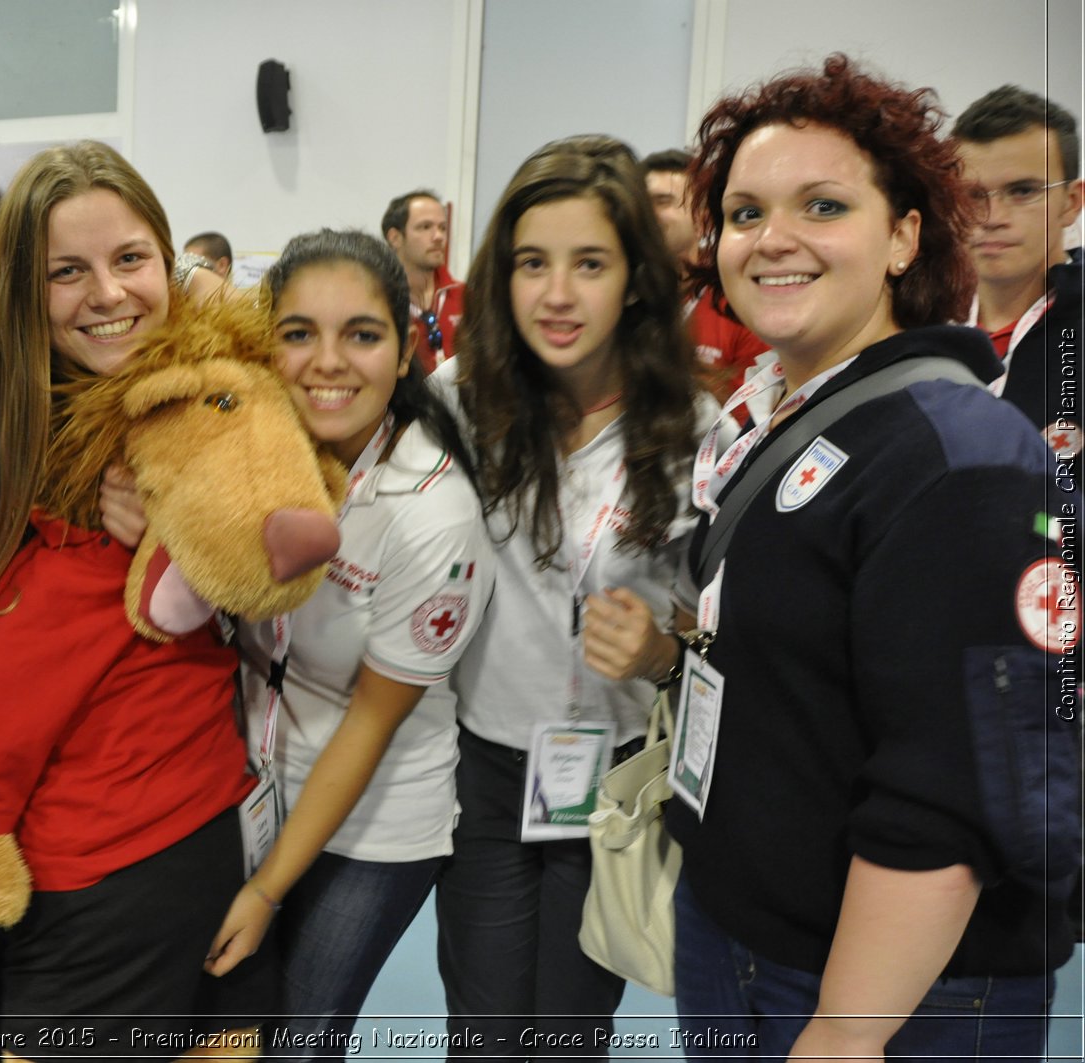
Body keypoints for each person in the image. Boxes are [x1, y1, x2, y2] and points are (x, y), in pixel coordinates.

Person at [667, 55, 1079, 1060]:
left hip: (886, 992)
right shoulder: (794, 416)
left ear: (902, 235)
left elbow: (954, 788)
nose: (773, 240)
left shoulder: (955, 455)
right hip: (749, 934)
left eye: (821, 204)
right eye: (744, 211)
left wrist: (844, 1035)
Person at [0, 140, 276, 1062]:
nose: (106, 293)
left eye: (130, 259)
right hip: (2, 809)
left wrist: (195, 527)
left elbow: (284, 546)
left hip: (133, 835)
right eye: (68, 271)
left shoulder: (218, 405)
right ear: (27, 290)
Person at [430, 135, 715, 1058]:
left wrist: (663, 654)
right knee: (481, 1026)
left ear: (635, 276)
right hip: (485, 767)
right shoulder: (459, 404)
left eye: (588, 263)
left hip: (614, 772)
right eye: (531, 264)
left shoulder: (695, 428)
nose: (557, 294)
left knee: (569, 1031)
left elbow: (725, 631)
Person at [195, 230, 492, 1058]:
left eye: (362, 334)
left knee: (298, 1036)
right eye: (298, 334)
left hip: (372, 823)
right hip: (256, 781)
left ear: (403, 352)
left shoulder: (432, 512)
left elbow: (369, 723)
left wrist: (264, 889)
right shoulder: (252, 452)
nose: (329, 361)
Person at [952, 87, 1083, 443]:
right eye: (972, 195)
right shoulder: (910, 326)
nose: (991, 218)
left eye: (1023, 191)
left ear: (1071, 202)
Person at [640, 149, 767, 399]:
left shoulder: (738, 303)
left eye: (662, 201)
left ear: (702, 221)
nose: (646, 214)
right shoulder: (619, 297)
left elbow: (751, 422)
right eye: (641, 204)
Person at [382, 190, 465, 373]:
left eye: (443, 228)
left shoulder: (468, 297)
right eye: (425, 227)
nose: (439, 237)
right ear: (395, 238)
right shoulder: (379, 299)